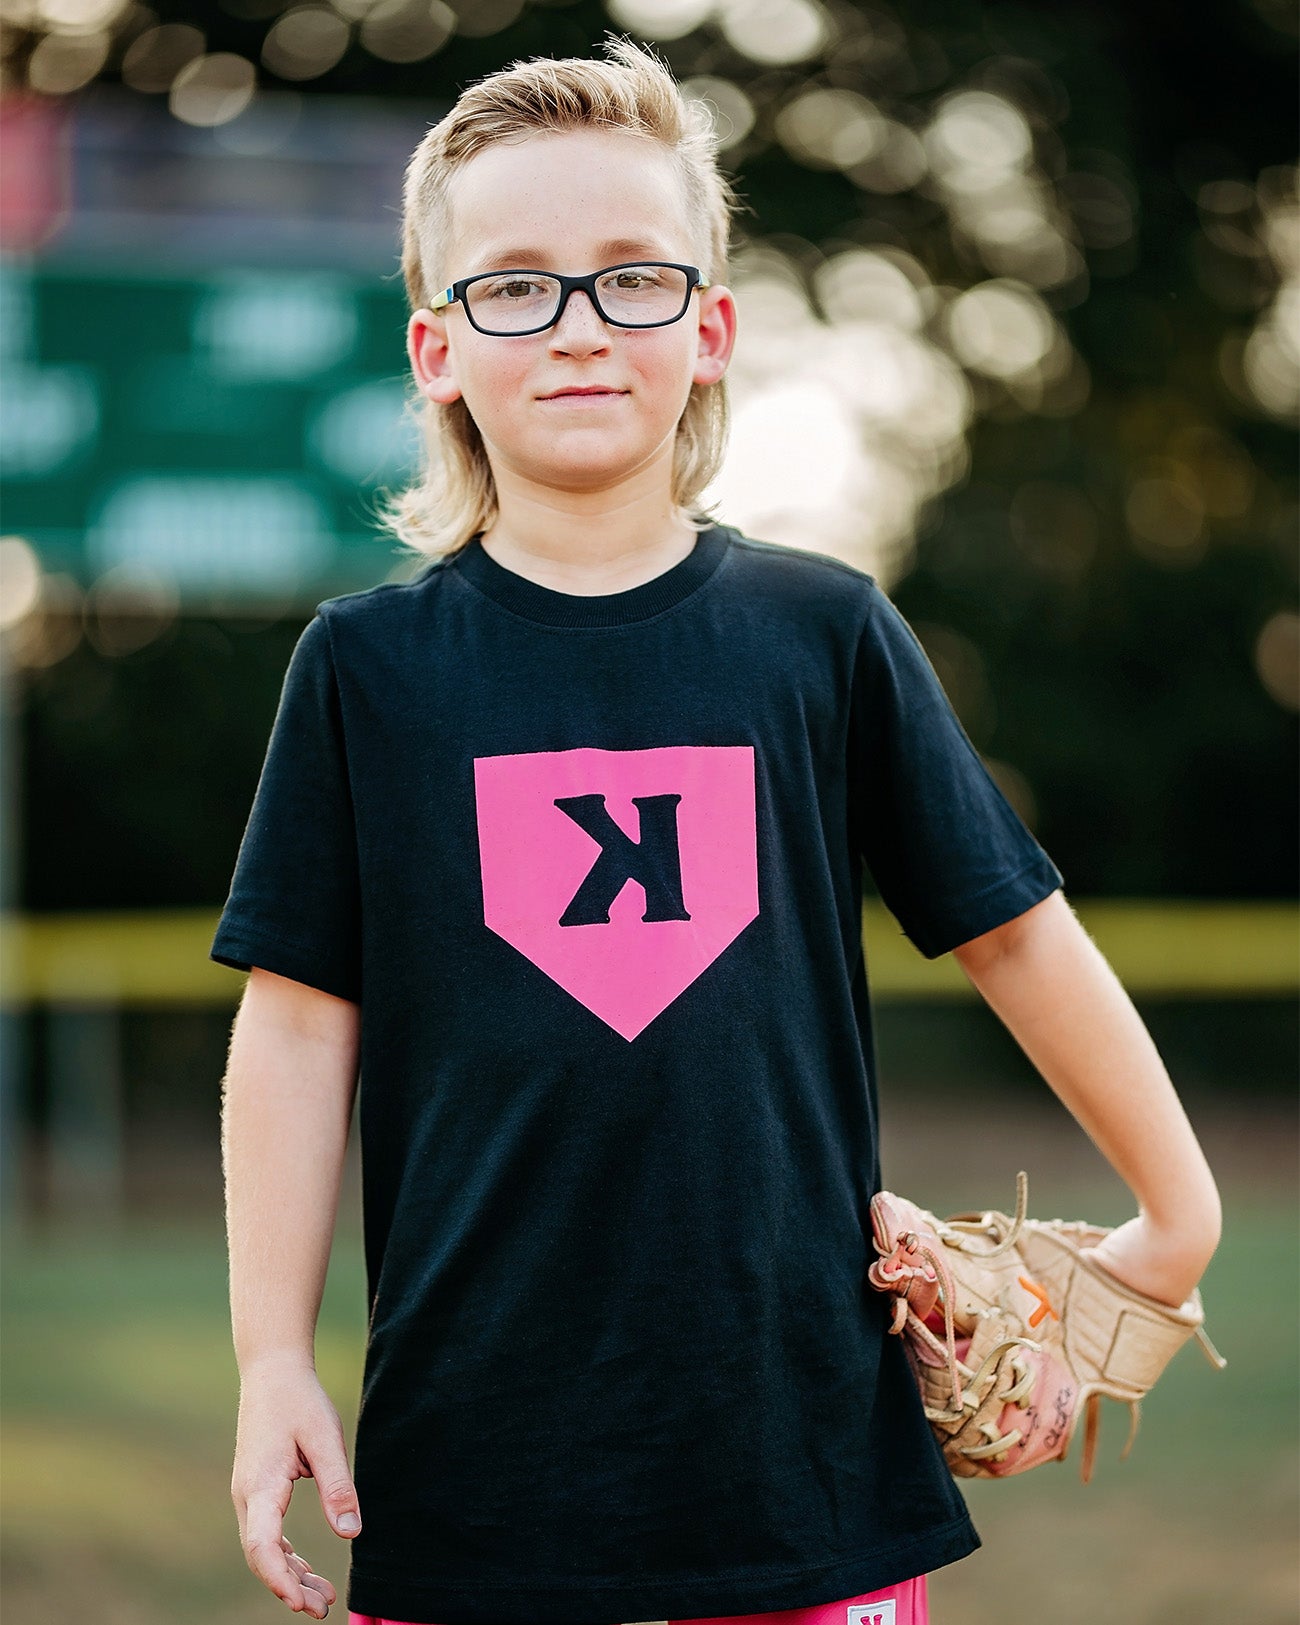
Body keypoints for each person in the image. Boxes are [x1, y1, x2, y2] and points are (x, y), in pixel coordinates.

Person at [212, 35, 1223, 1625]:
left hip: (804, 1457)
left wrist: (1180, 1214)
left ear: (712, 327)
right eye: (515, 286)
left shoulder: (821, 633)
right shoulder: (368, 667)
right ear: (435, 348)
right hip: (477, 1466)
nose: (578, 328)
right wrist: (272, 1353)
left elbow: (1013, 925)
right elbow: (293, 1021)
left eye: (632, 278)